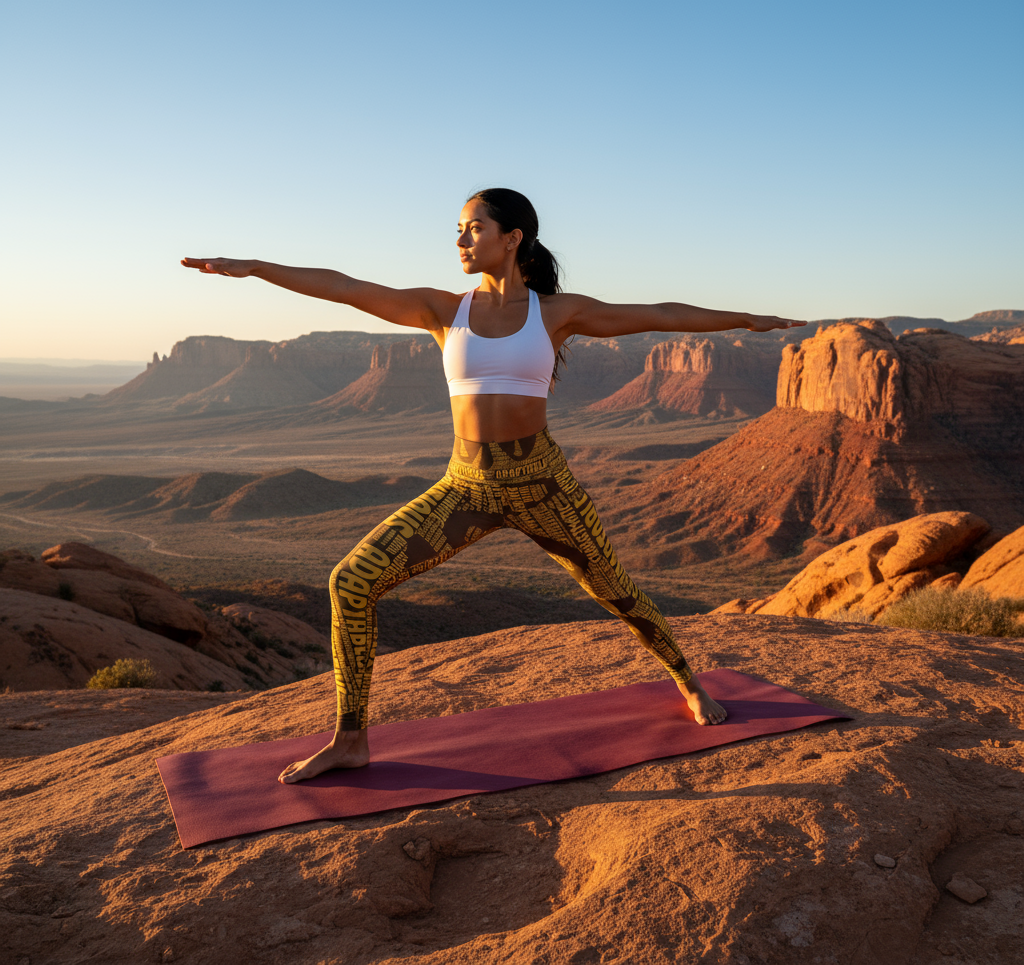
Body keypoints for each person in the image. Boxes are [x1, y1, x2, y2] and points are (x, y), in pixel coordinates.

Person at [182, 188, 806, 784]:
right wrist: (254, 268)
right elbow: (345, 288)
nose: (460, 240)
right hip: (465, 488)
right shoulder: (441, 310)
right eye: (457, 229)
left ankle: (689, 683)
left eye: (473, 228)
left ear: (512, 238)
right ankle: (350, 740)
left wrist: (747, 320)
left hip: (544, 487)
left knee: (616, 591)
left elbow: (660, 315)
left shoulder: (557, 313)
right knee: (351, 582)